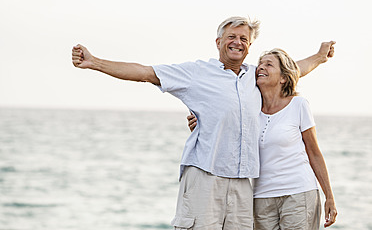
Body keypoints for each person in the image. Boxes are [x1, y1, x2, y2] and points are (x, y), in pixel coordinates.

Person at [71, 16, 335, 230]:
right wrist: (94, 62)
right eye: (231, 36)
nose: (237, 42)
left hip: (244, 183)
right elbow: (145, 73)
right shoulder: (196, 73)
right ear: (219, 41)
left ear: (249, 47)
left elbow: (292, 70)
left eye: (244, 39)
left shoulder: (254, 77)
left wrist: (320, 56)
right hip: (206, 174)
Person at [187, 49, 337, 229]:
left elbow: (314, 153)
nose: (261, 68)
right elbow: (224, 131)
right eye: (261, 63)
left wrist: (329, 196)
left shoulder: (299, 105)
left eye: (269, 64)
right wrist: (202, 124)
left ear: (283, 77)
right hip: (261, 197)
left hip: (298, 193)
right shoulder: (249, 110)